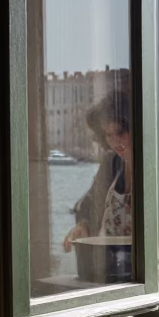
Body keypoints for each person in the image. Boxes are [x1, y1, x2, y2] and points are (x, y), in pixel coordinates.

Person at [62, 89, 132, 280]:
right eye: (108, 135)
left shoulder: (153, 169)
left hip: (136, 276)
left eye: (119, 132)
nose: (115, 141)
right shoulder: (111, 163)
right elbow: (90, 204)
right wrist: (83, 226)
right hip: (104, 271)